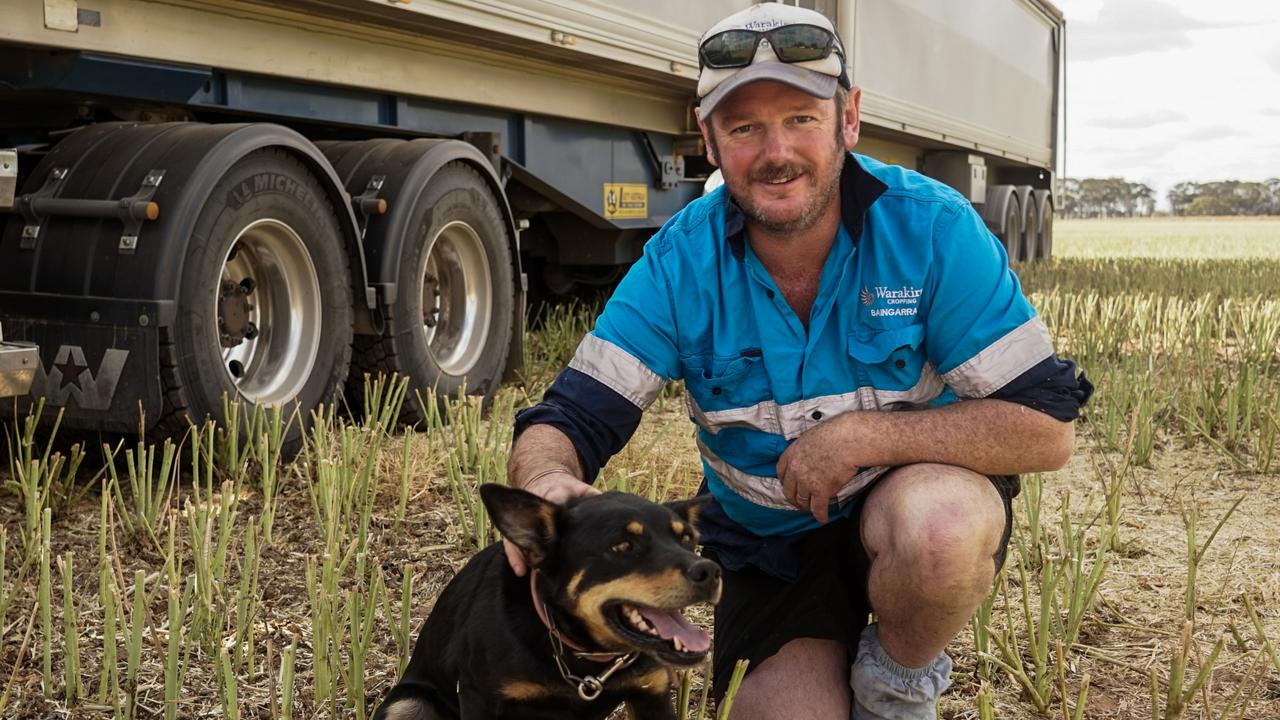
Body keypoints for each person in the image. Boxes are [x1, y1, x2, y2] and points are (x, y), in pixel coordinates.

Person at [503, 3, 1092, 718]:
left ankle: (899, 682)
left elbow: (1046, 430)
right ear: (709, 139)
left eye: (801, 118)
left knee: (940, 532)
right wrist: (544, 476)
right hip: (766, 542)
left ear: (849, 118)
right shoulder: (678, 262)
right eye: (745, 127)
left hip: (908, 508)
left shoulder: (931, 228)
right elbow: (572, 414)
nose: (776, 150)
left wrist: (864, 438)